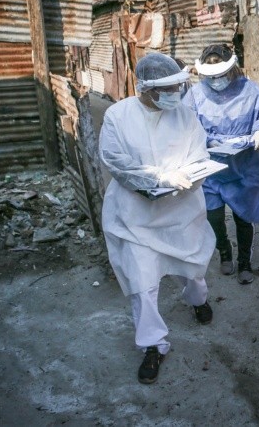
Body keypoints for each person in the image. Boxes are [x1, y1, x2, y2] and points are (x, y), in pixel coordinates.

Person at [99, 53, 216, 384]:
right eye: (169, 89)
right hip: (136, 218)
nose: (176, 94)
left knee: (192, 271)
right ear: (147, 89)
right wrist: (159, 177)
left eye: (178, 87)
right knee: (143, 284)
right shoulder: (118, 117)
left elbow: (199, 155)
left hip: (181, 214)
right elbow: (117, 163)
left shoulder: (185, 116)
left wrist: (190, 174)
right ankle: (153, 345)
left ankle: (198, 301)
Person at [184, 44, 259, 284]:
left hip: (244, 166)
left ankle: (244, 262)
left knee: (243, 216)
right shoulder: (195, 94)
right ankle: (224, 250)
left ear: (231, 70)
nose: (216, 81)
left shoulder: (250, 91)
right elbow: (185, 123)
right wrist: (206, 140)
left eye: (220, 75)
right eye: (211, 77)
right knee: (213, 217)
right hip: (210, 167)